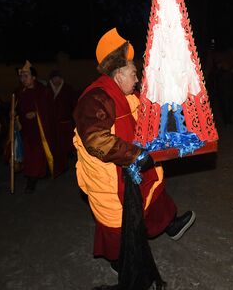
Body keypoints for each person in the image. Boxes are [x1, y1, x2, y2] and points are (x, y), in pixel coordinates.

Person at [74, 28, 195, 289]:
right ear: (118, 74)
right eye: (133, 72)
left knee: (152, 192)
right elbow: (95, 139)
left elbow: (148, 119)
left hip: (132, 167)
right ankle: (121, 260)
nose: (137, 77)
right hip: (110, 176)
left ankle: (170, 225)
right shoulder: (96, 98)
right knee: (118, 221)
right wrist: (134, 155)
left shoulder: (127, 94)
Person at [15, 61, 55, 193]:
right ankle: (40, 173)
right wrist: (13, 114)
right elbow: (17, 109)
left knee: (37, 155)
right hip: (26, 130)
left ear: (33, 77)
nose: (23, 79)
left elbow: (49, 108)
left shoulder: (43, 91)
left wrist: (37, 113)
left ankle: (31, 180)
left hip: (40, 130)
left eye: (26, 76)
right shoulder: (19, 92)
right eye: (21, 76)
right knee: (29, 154)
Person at [47, 70, 77, 177]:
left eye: (58, 78)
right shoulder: (48, 90)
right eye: (55, 78)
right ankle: (59, 165)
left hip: (66, 123)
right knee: (56, 146)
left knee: (67, 144)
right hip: (52, 124)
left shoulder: (67, 89)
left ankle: (66, 162)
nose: (57, 80)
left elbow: (74, 104)